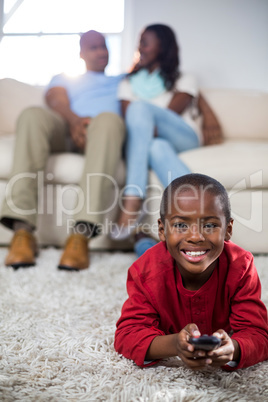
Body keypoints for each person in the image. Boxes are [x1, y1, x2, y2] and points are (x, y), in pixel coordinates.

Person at [114, 173, 268, 370]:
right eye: (180, 225)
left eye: (210, 225)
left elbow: (258, 334)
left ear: (228, 229)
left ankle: (146, 240)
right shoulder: (144, 271)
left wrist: (235, 349)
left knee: (175, 249)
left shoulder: (241, 266)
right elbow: (126, 335)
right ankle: (143, 240)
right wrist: (174, 344)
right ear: (162, 230)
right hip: (160, 256)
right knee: (148, 252)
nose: (195, 236)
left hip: (178, 251)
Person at [0, 30, 125, 270]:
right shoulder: (65, 78)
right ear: (81, 54)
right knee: (32, 115)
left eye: (103, 46)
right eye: (93, 47)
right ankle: (22, 232)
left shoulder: (122, 80)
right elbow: (55, 100)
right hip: (67, 129)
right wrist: (75, 121)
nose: (100, 51)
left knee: (108, 120)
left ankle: (81, 234)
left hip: (102, 135)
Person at [110, 24, 222, 243]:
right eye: (139, 42)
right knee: (155, 146)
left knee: (140, 109)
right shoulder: (127, 83)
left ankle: (133, 197)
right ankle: (202, 213)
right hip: (152, 142)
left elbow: (167, 114)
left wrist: (142, 122)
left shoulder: (185, 79)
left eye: (145, 42)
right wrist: (141, 125)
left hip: (183, 137)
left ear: (162, 47)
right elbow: (131, 122)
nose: (139, 47)